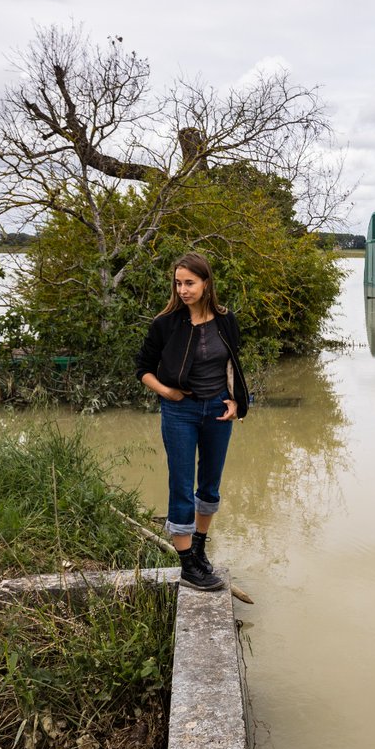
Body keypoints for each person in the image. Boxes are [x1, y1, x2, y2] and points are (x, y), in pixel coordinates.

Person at [135, 253, 249, 591]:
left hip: (216, 410)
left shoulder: (226, 320)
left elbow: (235, 365)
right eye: (178, 283)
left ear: (206, 284)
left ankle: (198, 548)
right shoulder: (165, 323)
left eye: (189, 283)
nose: (183, 289)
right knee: (181, 486)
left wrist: (236, 402)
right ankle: (187, 566)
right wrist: (166, 393)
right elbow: (142, 367)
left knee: (210, 485)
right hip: (180, 411)